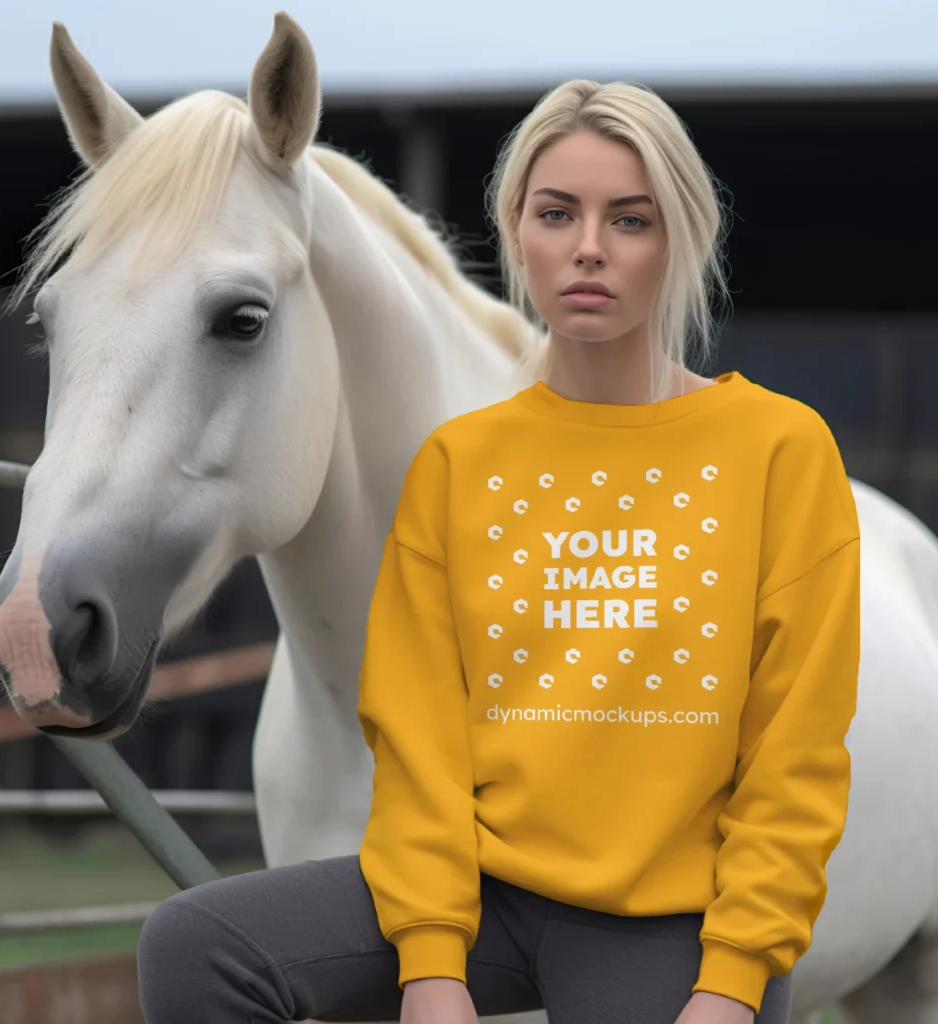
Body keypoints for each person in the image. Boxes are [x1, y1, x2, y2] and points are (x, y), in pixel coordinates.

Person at [136, 78, 860, 1024]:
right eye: (557, 213)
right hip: (490, 898)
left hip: (671, 922)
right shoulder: (460, 462)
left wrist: (731, 985)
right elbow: (420, 737)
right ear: (517, 228)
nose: (589, 247)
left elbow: (795, 757)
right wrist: (433, 968)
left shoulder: (780, 449)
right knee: (194, 949)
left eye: (629, 219)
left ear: (680, 236)